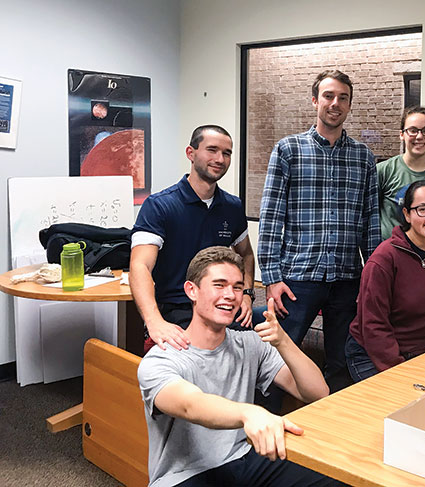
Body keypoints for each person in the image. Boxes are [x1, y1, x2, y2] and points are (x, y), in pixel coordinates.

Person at [137, 246, 338, 487]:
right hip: (184, 476)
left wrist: (283, 341)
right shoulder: (161, 359)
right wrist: (249, 413)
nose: (231, 295)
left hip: (245, 459)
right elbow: (191, 405)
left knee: (336, 479)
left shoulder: (250, 343)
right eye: (219, 285)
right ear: (192, 291)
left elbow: (317, 392)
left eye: (237, 287)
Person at [258, 70, 380, 392]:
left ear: (350, 105)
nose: (335, 103)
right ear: (315, 100)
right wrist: (271, 278)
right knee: (278, 358)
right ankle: (265, 422)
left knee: (342, 361)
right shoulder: (288, 150)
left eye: (343, 97)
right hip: (298, 277)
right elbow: (271, 217)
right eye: (328, 96)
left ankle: (332, 427)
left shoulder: (364, 157)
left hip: (347, 278)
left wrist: (373, 278)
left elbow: (370, 221)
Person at [130, 125, 256, 352]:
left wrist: (246, 294)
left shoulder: (233, 206)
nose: (220, 159)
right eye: (212, 150)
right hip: (177, 308)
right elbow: (140, 266)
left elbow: (246, 254)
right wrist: (154, 321)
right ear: (191, 153)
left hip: (221, 305)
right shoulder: (159, 206)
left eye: (227, 153)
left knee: (260, 347)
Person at [346, 180, 425, 381]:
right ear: (406, 214)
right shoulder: (384, 259)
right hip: (374, 354)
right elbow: (374, 324)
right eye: (422, 209)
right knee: (401, 406)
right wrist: (401, 372)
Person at [377, 106, 425, 240]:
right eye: (413, 130)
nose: (419, 136)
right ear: (402, 134)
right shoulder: (383, 171)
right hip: (390, 253)